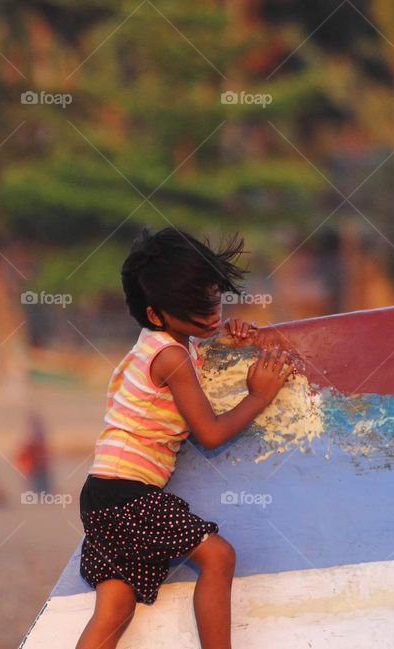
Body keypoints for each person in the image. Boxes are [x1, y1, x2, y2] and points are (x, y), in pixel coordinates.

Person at [75, 227, 293, 649]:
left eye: (214, 299)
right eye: (199, 307)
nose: (213, 313)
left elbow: (198, 345)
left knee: (115, 608)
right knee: (218, 556)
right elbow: (210, 434)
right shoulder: (171, 357)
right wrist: (259, 396)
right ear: (157, 314)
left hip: (102, 494)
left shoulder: (160, 342)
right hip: (127, 494)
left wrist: (231, 334)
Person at [16, 411, 51, 495]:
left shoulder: (38, 441)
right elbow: (21, 459)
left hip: (40, 472)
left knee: (44, 493)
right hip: (33, 473)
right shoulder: (29, 443)